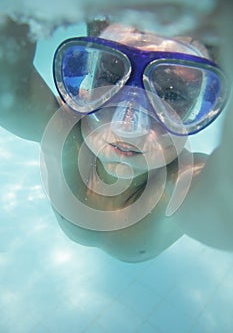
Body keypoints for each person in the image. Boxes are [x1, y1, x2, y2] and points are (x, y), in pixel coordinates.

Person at [0, 15, 231, 262]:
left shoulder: (183, 183)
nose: (127, 126)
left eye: (170, 96)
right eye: (110, 76)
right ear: (86, 83)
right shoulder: (62, 133)